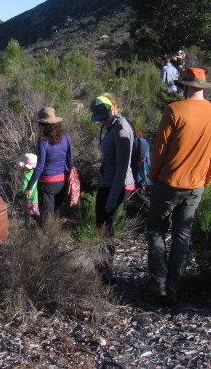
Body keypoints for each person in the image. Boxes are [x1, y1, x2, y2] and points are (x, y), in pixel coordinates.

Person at [145, 68, 211, 305]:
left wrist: (153, 175)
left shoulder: (174, 110)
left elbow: (159, 148)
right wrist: (207, 179)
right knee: (182, 234)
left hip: (168, 182)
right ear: (203, 87)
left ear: (184, 85)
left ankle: (158, 282)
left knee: (156, 229)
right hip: (196, 185)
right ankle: (174, 287)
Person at [90, 94, 135, 284]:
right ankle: (102, 270)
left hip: (116, 185)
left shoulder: (122, 130)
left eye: (103, 116)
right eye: (98, 117)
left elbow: (123, 168)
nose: (101, 120)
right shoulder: (112, 126)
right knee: (103, 227)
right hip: (108, 182)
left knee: (105, 229)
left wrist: (112, 198)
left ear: (113, 108)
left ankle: (105, 275)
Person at [24, 107, 73, 221]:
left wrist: (30, 186)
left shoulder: (42, 140)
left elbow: (40, 166)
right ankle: (54, 234)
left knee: (47, 214)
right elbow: (70, 159)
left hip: (47, 182)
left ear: (42, 124)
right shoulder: (66, 136)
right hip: (62, 180)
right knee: (56, 211)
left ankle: (47, 235)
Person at [17, 153, 39, 218]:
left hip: (29, 200)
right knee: (37, 215)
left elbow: (23, 187)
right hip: (37, 200)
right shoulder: (38, 174)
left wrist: (19, 192)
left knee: (28, 216)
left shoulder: (26, 176)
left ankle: (27, 226)